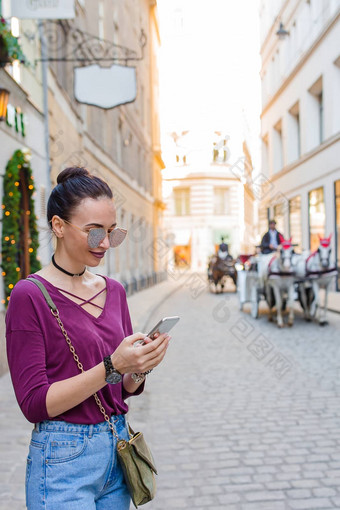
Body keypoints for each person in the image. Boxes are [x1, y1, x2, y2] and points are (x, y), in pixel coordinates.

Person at [6, 167, 171, 510]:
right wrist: (113, 364)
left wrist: (138, 368)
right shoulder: (30, 295)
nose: (106, 244)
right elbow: (35, 403)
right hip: (63, 460)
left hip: (118, 449)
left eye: (112, 232)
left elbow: (120, 386)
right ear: (58, 226)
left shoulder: (114, 291)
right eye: (95, 232)